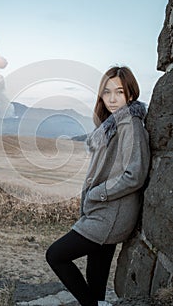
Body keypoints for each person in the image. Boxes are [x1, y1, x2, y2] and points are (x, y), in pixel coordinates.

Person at [46, 66, 150, 306]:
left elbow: (135, 174)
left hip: (111, 214)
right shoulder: (113, 124)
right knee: (96, 283)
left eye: (120, 92)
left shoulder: (130, 125)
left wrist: (98, 194)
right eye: (107, 92)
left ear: (131, 94)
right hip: (105, 211)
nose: (112, 99)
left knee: (56, 255)